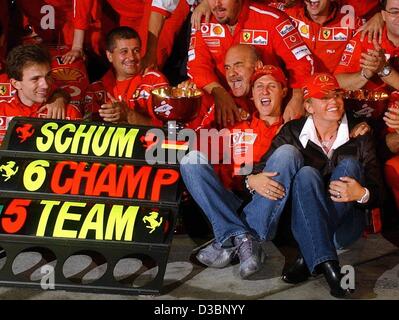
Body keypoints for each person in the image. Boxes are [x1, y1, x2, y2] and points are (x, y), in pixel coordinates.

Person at [244, 73, 383, 297]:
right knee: (306, 174)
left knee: (350, 167)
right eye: (324, 97)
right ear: (309, 106)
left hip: (344, 228)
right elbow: (260, 168)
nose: (334, 102)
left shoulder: (360, 133)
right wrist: (251, 179)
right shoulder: (292, 132)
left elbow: (378, 193)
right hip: (304, 221)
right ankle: (329, 266)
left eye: (337, 95)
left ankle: (308, 256)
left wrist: (361, 193)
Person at [180, 64, 288, 280]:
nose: (264, 91)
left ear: (284, 92)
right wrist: (188, 105)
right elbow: (194, 148)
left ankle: (229, 239)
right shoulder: (236, 128)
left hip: (269, 208)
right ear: (252, 95)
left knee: (287, 154)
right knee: (191, 160)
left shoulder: (292, 129)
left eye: (271, 86)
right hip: (233, 202)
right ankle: (242, 237)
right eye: (258, 86)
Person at [187, 0, 313, 127]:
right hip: (222, 100)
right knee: (191, 95)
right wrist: (219, 93)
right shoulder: (204, 22)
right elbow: (197, 67)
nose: (216, 4)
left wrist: (297, 97)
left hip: (269, 103)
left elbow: (302, 63)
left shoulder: (272, 19)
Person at [84, 26, 169, 126]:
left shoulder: (154, 81)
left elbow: (166, 129)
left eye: (136, 50)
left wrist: (129, 115)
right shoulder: (96, 89)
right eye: (124, 52)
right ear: (109, 56)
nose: (132, 57)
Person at [0, 44, 82, 144]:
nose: (45, 85)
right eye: (35, 79)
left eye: (48, 75)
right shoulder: (1, 111)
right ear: (16, 84)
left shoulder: (68, 113)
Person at [280, 0, 363, 73]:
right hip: (296, 86)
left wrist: (376, 17)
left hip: (334, 86)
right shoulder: (287, 13)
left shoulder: (352, 17)